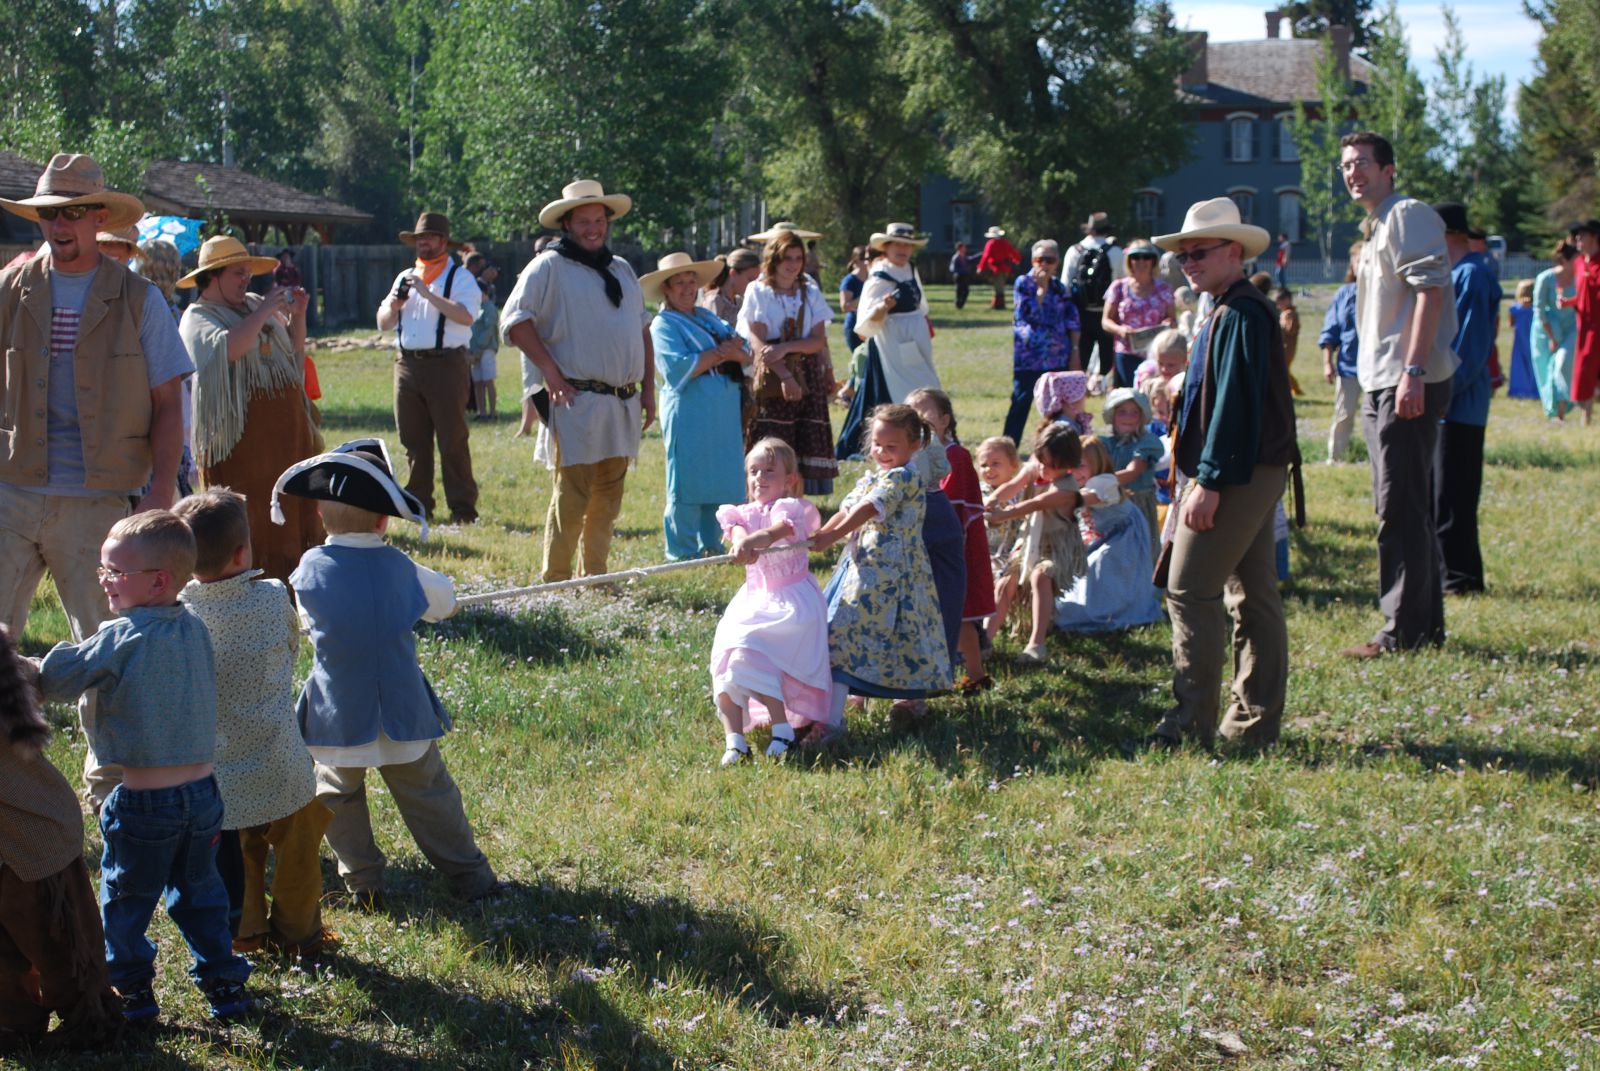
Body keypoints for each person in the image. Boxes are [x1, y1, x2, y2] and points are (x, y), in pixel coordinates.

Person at [0, 153, 191, 809]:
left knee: (104, 653)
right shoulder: (13, 287)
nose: (60, 225)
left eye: (73, 212)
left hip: (101, 503)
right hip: (13, 487)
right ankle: (8, 787)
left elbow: (170, 401)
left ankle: (113, 797)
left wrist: (162, 492)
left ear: (99, 217)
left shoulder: (139, 298)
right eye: (51, 213)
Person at [33, 511, 254, 1022]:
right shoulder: (195, 627)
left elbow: (58, 679)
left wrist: (22, 667)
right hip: (203, 799)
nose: (104, 580)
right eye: (103, 570)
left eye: (115, 572)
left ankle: (130, 990)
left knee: (127, 900)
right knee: (201, 895)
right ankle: (224, 983)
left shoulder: (121, 636)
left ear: (158, 580)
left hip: (143, 803)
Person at [273, 440, 500, 905]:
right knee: (430, 795)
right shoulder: (403, 567)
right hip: (403, 715)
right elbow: (445, 603)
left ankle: (364, 882)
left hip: (338, 718)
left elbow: (308, 621)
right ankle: (470, 876)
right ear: (384, 520)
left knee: (336, 798)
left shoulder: (307, 570)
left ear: (320, 517)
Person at [1145, 195, 1297, 749]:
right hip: (1248, 469)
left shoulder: (1240, 312)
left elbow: (1235, 405)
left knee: (1190, 590)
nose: (1189, 263)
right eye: (1183, 257)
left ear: (1233, 251)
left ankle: (1190, 724)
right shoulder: (1231, 308)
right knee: (1252, 594)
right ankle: (1253, 724)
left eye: (1200, 252)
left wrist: (1207, 481)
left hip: (1234, 473)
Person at [172, 489, 333, 956]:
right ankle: (299, 932)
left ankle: (245, 932)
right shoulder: (269, 597)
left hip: (217, 773)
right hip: (281, 762)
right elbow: (290, 647)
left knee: (238, 855)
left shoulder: (179, 614)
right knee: (299, 853)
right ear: (242, 551)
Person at [1338, 131, 1459, 659]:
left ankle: (1402, 631)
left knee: (1398, 508)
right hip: (1382, 380)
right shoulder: (1377, 224)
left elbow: (1430, 292)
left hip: (1404, 381)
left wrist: (1412, 370)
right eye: (1345, 165)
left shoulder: (1407, 214)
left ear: (1389, 169)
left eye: (1363, 163)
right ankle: (1422, 626)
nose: (1352, 172)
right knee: (1405, 505)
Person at [503, 180, 655, 581]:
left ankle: (596, 578)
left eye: (599, 220)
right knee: (572, 498)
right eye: (584, 221)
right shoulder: (549, 266)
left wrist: (649, 391)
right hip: (577, 401)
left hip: (621, 402)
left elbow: (642, 332)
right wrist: (549, 372)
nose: (593, 228)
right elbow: (516, 322)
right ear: (567, 224)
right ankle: (555, 580)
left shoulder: (620, 268)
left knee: (608, 499)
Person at [0, 624, 121, 1053]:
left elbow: (30, 678)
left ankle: (91, 1018)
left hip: (34, 839)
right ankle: (14, 1023)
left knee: (62, 942)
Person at [179, 236, 323, 582]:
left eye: (248, 273)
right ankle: (256, 594)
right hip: (241, 447)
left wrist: (298, 317)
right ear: (212, 276)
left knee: (293, 514)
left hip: (287, 440)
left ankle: (297, 592)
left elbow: (293, 351)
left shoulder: (254, 304)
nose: (246, 280)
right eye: (237, 273)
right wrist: (262, 313)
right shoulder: (197, 317)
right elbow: (226, 350)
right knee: (253, 522)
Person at [811, 404, 951, 722]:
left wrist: (831, 538)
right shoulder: (873, 476)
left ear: (914, 446)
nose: (882, 452)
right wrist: (823, 533)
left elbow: (870, 508)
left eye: (892, 447)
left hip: (894, 575)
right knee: (846, 633)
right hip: (862, 570)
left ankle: (900, 702)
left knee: (886, 635)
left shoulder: (905, 477)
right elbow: (848, 510)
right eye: (877, 445)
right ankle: (844, 703)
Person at [710, 438, 836, 764]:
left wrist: (754, 540)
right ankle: (735, 740)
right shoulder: (742, 513)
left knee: (752, 647)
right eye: (753, 471)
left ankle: (783, 729)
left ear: (789, 480)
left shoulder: (789, 508)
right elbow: (738, 530)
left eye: (769, 471)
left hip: (791, 602)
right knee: (727, 656)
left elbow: (778, 532)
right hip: (755, 599)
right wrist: (741, 541)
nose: (759, 478)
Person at [376, 211, 482, 524]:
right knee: (413, 442)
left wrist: (426, 293)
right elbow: (383, 322)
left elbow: (466, 316)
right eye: (419, 239)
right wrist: (394, 305)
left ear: (443, 242)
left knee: (452, 440)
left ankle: (463, 510)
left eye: (429, 238)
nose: (423, 243)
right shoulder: (404, 276)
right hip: (406, 364)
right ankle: (418, 507)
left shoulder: (460, 277)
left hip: (446, 365)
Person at [643, 251, 748, 560]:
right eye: (680, 283)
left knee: (721, 477)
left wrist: (723, 353)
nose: (688, 288)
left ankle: (713, 544)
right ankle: (682, 550)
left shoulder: (706, 316)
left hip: (723, 411)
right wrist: (720, 353)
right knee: (688, 479)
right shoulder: (662, 325)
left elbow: (743, 351)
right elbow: (678, 368)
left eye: (692, 281)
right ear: (666, 288)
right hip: (690, 410)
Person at [1432, 202, 1501, 596]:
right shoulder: (1455, 273)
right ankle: (1448, 573)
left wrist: (1441, 393)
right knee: (1440, 496)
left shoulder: (1471, 275)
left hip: (1460, 408)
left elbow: (1469, 350)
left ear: (1448, 235)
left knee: (1453, 497)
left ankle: (1461, 579)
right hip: (1448, 406)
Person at [737, 226, 838, 494]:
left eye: (797, 258)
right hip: (772, 374)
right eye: (786, 258)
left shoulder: (808, 288)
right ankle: (763, 501)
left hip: (807, 370)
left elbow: (818, 339)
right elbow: (757, 341)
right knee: (771, 441)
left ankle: (796, 505)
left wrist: (789, 349)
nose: (792, 265)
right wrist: (785, 374)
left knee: (803, 443)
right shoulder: (758, 290)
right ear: (773, 259)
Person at [908, 388, 995, 691]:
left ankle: (975, 673)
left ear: (944, 420)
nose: (917, 419)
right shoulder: (910, 456)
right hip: (922, 544)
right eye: (911, 413)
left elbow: (954, 502)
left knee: (959, 612)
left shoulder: (955, 455)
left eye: (924, 413)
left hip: (951, 544)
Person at [983, 422, 1087, 666]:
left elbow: (1030, 506)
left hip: (1054, 546)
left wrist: (1000, 514)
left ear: (1067, 464)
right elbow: (1012, 487)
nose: (1043, 468)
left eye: (1050, 465)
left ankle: (1036, 643)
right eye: (1040, 459)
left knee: (1042, 576)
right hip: (1028, 542)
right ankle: (984, 641)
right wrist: (992, 500)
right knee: (1004, 584)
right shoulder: (1034, 469)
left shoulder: (1066, 489)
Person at [1056, 438, 1163, 634]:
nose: (1073, 472)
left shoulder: (1104, 483)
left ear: (1097, 464)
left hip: (1123, 537)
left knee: (1102, 565)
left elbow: (1077, 500)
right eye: (1069, 466)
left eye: (1080, 465)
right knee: (1082, 570)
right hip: (1101, 535)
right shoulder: (1074, 483)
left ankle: (1113, 608)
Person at [856, 222, 940, 404]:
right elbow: (867, 317)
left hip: (916, 335)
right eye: (897, 244)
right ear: (887, 247)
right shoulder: (881, 274)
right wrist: (883, 307)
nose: (903, 249)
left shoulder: (910, 268)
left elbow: (920, 303)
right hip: (895, 339)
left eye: (907, 245)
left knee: (928, 383)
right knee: (910, 390)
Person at [1006, 239, 1080, 444]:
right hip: (1029, 358)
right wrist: (1040, 290)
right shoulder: (1023, 283)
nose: (1044, 265)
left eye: (1049, 260)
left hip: (1057, 357)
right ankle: (1009, 445)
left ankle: (1057, 444)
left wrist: (1075, 351)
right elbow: (1025, 313)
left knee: (1058, 405)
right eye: (1040, 260)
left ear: (1057, 262)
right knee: (1020, 402)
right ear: (1032, 261)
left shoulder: (1060, 288)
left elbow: (1072, 321)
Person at [1100, 387, 1164, 563]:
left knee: (1139, 553)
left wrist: (1098, 482)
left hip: (1137, 504)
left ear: (1142, 417)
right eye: (1122, 412)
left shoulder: (1146, 443)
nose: (1128, 417)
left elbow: (1132, 472)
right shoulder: (1105, 444)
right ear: (1112, 415)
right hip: (1111, 503)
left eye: (1134, 413)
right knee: (1113, 554)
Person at [975, 436, 1030, 643]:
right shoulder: (978, 492)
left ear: (1014, 466)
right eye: (984, 465)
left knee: (1006, 580)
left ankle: (986, 639)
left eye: (996, 464)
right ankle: (973, 629)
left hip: (1012, 553)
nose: (989, 469)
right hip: (983, 552)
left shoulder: (1022, 493)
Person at [1101, 238, 1174, 389]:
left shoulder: (1164, 289)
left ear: (1153, 261)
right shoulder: (1118, 287)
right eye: (1136, 257)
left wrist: (1168, 324)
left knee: (1154, 393)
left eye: (1146, 257)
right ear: (1129, 261)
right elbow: (1106, 321)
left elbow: (1172, 319)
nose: (1141, 261)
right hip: (1127, 352)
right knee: (1130, 395)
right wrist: (1121, 330)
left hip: (1156, 354)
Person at [1065, 212, 1126, 383]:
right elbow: (1122, 283)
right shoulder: (1115, 251)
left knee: (1081, 354)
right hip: (1108, 312)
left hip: (1081, 312)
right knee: (1108, 356)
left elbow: (1066, 285)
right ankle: (1106, 386)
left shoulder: (1074, 250)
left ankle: (1078, 388)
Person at [1320, 242, 1363, 463]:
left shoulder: (1385, 293)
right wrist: (1327, 362)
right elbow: (1330, 330)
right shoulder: (1345, 293)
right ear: (1352, 265)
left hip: (1380, 367)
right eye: (1358, 261)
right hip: (1349, 365)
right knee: (1343, 414)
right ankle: (1335, 457)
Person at [515, 234, 559, 439]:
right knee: (531, 384)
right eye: (537, 251)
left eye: (544, 250)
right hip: (531, 338)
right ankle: (526, 425)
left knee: (557, 383)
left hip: (554, 339)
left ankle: (553, 425)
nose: (540, 254)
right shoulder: (528, 275)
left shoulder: (562, 273)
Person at [1531, 241, 1578, 421]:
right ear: (1565, 260)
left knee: (1562, 364)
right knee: (1546, 370)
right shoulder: (1546, 278)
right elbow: (1539, 310)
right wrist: (1551, 337)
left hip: (1571, 328)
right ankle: (1555, 411)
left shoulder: (1579, 278)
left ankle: (1562, 409)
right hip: (1546, 329)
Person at [1560, 218, 1600, 426]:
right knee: (1585, 370)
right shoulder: (1578, 263)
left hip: (1597, 326)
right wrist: (1570, 302)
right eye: (1577, 235)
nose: (1577, 238)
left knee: (1590, 369)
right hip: (1585, 325)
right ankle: (1586, 417)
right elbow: (1585, 294)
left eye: (1583, 234)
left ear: (1594, 237)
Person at [465, 252, 500, 420]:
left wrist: (478, 349)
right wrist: (471, 350)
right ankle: (481, 411)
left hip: (486, 350)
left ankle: (492, 412)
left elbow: (488, 330)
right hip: (474, 351)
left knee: (488, 381)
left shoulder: (489, 308)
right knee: (477, 383)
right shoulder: (474, 308)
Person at [976, 226, 1022, 309]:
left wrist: (980, 268)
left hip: (996, 269)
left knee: (998, 288)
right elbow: (1013, 252)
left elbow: (985, 256)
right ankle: (996, 304)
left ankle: (999, 305)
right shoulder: (1005, 242)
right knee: (1000, 286)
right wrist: (1017, 259)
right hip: (1006, 269)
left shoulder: (990, 243)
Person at [1507, 280, 1536, 400]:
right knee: (1533, 366)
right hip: (1533, 341)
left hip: (1519, 342)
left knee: (1519, 366)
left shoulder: (1515, 309)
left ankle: (1519, 389)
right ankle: (1534, 389)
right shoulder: (1535, 310)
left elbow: (1511, 324)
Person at [838, 245, 870, 351]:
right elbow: (845, 307)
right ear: (856, 262)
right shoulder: (849, 281)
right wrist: (864, 296)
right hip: (854, 327)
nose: (868, 262)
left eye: (869, 259)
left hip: (870, 326)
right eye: (865, 259)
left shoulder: (872, 278)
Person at [1275, 289, 1304, 396]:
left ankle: (1294, 389)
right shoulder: (1285, 313)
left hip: (1287, 347)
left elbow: (1290, 329)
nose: (1278, 304)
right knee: (1283, 369)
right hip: (1284, 346)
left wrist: (1278, 329)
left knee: (1283, 369)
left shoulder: (1289, 314)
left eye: (1280, 301)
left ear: (1287, 300)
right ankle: (1294, 389)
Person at [949, 241, 977, 310]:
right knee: (959, 291)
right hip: (959, 276)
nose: (965, 248)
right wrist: (960, 271)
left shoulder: (964, 257)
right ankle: (958, 305)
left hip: (965, 276)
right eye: (964, 247)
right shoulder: (956, 257)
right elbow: (952, 268)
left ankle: (960, 305)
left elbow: (971, 259)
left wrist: (982, 254)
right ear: (959, 248)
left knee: (966, 291)